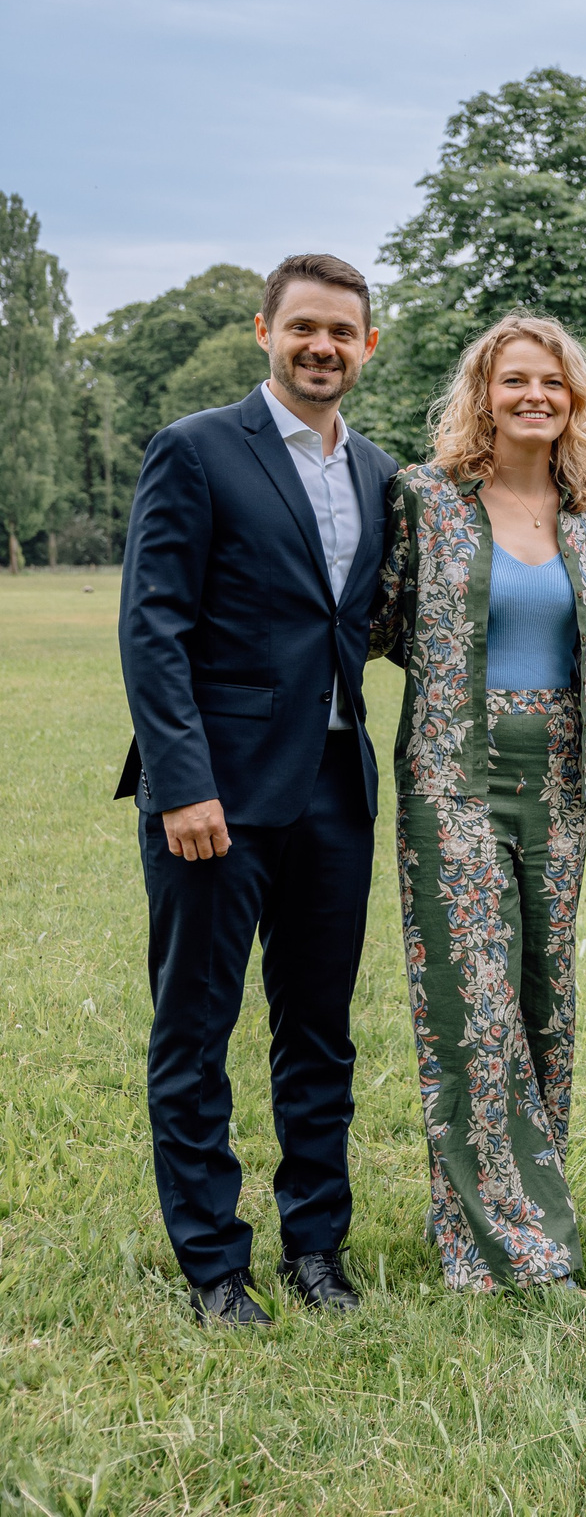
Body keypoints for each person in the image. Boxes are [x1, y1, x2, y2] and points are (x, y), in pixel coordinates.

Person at [118, 253, 396, 1324]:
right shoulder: (195, 450)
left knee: (319, 1028)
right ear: (264, 331)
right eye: (304, 328)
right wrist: (183, 783)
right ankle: (213, 1262)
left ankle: (316, 1248)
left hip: (335, 787)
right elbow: (154, 624)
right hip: (215, 798)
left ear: (368, 345)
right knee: (196, 1026)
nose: (323, 346)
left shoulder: (376, 472)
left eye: (343, 331)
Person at [374, 314, 586, 1292]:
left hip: (560, 775)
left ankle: (529, 1198)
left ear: (573, 400)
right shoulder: (426, 499)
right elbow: (383, 616)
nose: (534, 397)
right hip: (453, 775)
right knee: (470, 1003)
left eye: (551, 383)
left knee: (543, 999)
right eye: (514, 379)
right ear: (483, 391)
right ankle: (492, 1236)